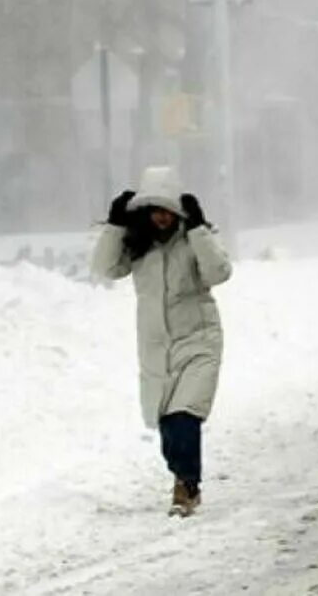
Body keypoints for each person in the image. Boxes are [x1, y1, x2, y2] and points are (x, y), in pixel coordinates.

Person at [91, 166, 233, 517]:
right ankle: (183, 478)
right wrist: (115, 226)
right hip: (156, 346)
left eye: (167, 209)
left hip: (198, 340)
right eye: (154, 210)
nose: (161, 217)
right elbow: (104, 269)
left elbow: (219, 273)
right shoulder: (138, 245)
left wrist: (199, 229)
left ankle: (186, 488)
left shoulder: (194, 238)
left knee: (186, 415)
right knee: (168, 426)